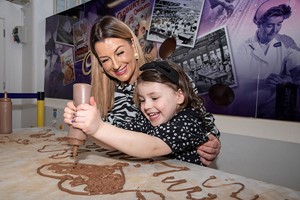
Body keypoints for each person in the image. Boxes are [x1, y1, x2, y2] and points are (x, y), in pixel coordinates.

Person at [64, 16, 221, 166]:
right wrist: (86, 124)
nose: (116, 65)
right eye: (105, 60)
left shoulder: (166, 75)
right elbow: (117, 139)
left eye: (119, 53)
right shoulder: (138, 115)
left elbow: (153, 145)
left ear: (133, 45)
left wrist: (212, 142)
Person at [66, 60, 214, 165]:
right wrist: (89, 128)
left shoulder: (190, 122)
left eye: (154, 97)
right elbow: (118, 142)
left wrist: (98, 127)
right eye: (142, 100)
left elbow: (152, 146)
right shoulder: (146, 119)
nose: (147, 106)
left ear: (179, 96)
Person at [235, 0, 300, 119]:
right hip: (246, 109)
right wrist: (263, 82)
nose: (275, 30)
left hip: (273, 110)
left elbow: (297, 68)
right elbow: (239, 83)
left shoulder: (286, 42)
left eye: (279, 24)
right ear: (258, 24)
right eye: (270, 25)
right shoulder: (243, 47)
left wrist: (291, 78)